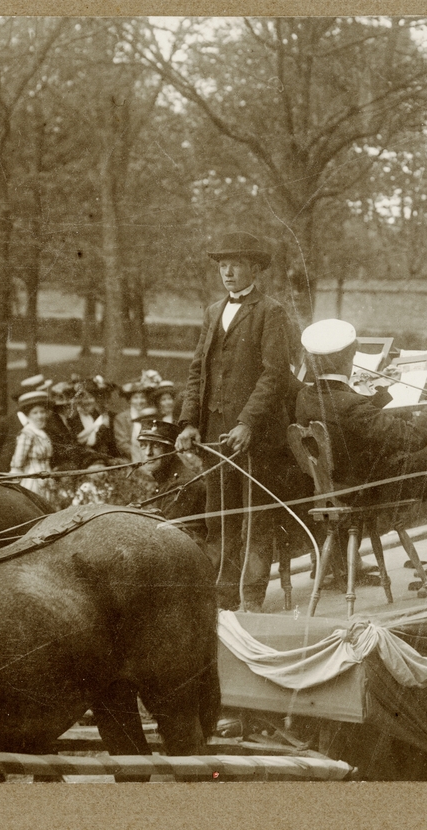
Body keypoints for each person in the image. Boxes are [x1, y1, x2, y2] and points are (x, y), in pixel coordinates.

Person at [295, 319, 427, 593]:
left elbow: (349, 423)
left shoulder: (306, 396)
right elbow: (410, 438)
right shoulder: (351, 405)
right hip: (370, 488)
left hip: (340, 486)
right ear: (350, 356)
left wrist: (384, 392)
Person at [175, 231, 305, 612]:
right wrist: (188, 422)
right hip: (216, 431)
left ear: (254, 269)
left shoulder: (271, 312)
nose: (228, 272)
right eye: (222, 265)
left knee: (256, 517)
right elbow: (198, 369)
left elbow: (275, 374)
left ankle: (251, 599)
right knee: (219, 515)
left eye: (235, 264)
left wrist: (248, 421)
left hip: (257, 435)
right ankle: (223, 594)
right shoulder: (213, 311)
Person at [9, 389, 55, 501]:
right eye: (35, 413)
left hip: (47, 480)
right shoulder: (27, 433)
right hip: (32, 481)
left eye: (42, 412)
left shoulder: (43, 433)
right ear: (28, 415)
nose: (40, 416)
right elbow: (18, 462)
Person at [65, 378, 121, 463]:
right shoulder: (71, 421)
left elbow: (112, 445)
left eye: (90, 397)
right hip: (84, 462)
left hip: (107, 460)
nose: (87, 402)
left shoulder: (103, 417)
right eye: (83, 398)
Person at [113, 379, 152, 463]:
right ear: (129, 400)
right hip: (130, 458)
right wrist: (139, 454)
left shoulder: (150, 416)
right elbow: (122, 444)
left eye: (142, 397)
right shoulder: (121, 418)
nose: (139, 401)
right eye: (136, 398)